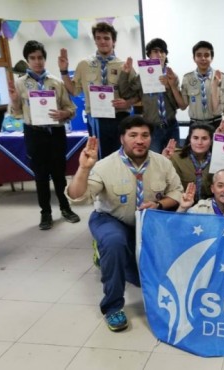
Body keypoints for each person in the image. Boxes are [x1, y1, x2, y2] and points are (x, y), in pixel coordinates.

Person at [65, 115, 183, 332]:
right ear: (122, 138)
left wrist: (158, 205)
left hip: (148, 221)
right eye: (133, 135)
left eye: (145, 135)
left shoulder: (163, 163)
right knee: (114, 242)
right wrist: (83, 168)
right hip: (112, 219)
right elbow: (77, 196)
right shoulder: (104, 165)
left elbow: (177, 192)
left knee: (139, 277)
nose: (140, 140)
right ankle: (112, 307)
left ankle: (120, 261)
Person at [8, 40, 80, 230]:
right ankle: (45, 213)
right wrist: (15, 101)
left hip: (55, 133)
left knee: (59, 175)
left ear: (45, 59)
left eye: (40, 57)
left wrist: (64, 113)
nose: (37, 61)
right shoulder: (20, 84)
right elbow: (15, 113)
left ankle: (66, 208)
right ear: (27, 60)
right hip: (34, 134)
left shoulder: (56, 82)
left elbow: (71, 108)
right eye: (33, 58)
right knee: (40, 176)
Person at [58, 22, 137, 159]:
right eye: (98, 38)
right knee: (101, 158)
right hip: (96, 119)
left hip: (120, 117)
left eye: (106, 38)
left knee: (124, 157)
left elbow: (138, 95)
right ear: (95, 40)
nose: (102, 41)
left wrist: (127, 103)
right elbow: (74, 91)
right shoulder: (84, 64)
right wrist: (63, 71)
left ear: (114, 41)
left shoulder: (124, 65)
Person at [118, 38, 182, 153]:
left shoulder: (172, 75)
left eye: (162, 52)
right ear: (149, 55)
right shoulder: (143, 75)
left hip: (171, 125)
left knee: (173, 160)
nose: (159, 54)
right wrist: (125, 74)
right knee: (154, 161)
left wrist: (168, 87)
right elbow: (126, 93)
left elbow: (177, 104)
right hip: (152, 128)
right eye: (155, 51)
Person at [177, 41, 224, 128]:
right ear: (194, 58)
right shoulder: (187, 78)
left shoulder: (221, 77)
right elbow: (183, 105)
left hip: (216, 123)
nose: (203, 58)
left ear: (212, 58)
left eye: (207, 55)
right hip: (195, 124)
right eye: (199, 55)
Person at [167, 123, 214, 201]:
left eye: (204, 138)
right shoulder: (175, 157)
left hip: (209, 206)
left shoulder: (218, 159)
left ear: (211, 141)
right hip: (181, 202)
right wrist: (164, 160)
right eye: (195, 138)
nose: (199, 142)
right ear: (190, 139)